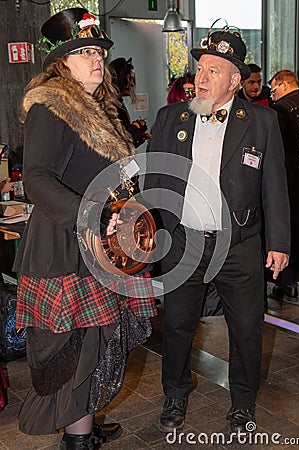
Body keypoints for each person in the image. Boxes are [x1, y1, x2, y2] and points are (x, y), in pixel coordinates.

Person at [12, 8, 157, 450]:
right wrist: (92, 214)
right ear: (61, 63)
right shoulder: (51, 107)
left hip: (103, 245)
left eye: (97, 50)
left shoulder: (104, 109)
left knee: (98, 343)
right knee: (76, 350)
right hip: (66, 247)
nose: (96, 58)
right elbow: (36, 179)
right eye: (84, 52)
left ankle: (85, 422)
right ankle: (78, 439)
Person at [144, 23, 290, 434]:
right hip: (183, 242)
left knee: (247, 329)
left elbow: (275, 185)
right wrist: (152, 231)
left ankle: (242, 404)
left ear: (235, 80)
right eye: (201, 69)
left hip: (241, 245)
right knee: (176, 325)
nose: (201, 78)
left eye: (213, 70)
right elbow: (154, 179)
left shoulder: (261, 122)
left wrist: (278, 241)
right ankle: (174, 392)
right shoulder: (171, 116)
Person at [269, 70, 299, 300]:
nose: (273, 95)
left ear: (284, 85)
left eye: (274, 90)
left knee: (288, 228)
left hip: (289, 179)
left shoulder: (280, 111)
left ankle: (287, 281)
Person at [108, 57, 150, 147]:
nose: (132, 84)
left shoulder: (119, 104)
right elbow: (116, 144)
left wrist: (138, 136)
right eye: (129, 79)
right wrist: (136, 128)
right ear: (118, 79)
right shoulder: (108, 107)